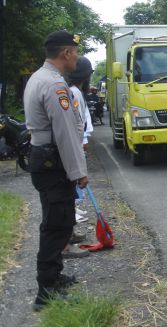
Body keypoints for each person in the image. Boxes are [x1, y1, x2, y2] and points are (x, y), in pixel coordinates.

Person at [23, 31, 89, 310]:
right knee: (56, 225)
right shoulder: (54, 85)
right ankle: (45, 291)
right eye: (75, 51)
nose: (77, 56)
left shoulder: (41, 78)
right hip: (53, 163)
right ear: (66, 53)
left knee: (58, 220)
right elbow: (65, 134)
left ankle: (55, 277)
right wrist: (79, 172)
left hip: (45, 160)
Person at [63, 56, 96, 259]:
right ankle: (66, 238)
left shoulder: (75, 92)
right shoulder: (74, 93)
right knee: (71, 190)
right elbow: (74, 123)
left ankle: (70, 231)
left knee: (72, 191)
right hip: (73, 146)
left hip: (76, 145)